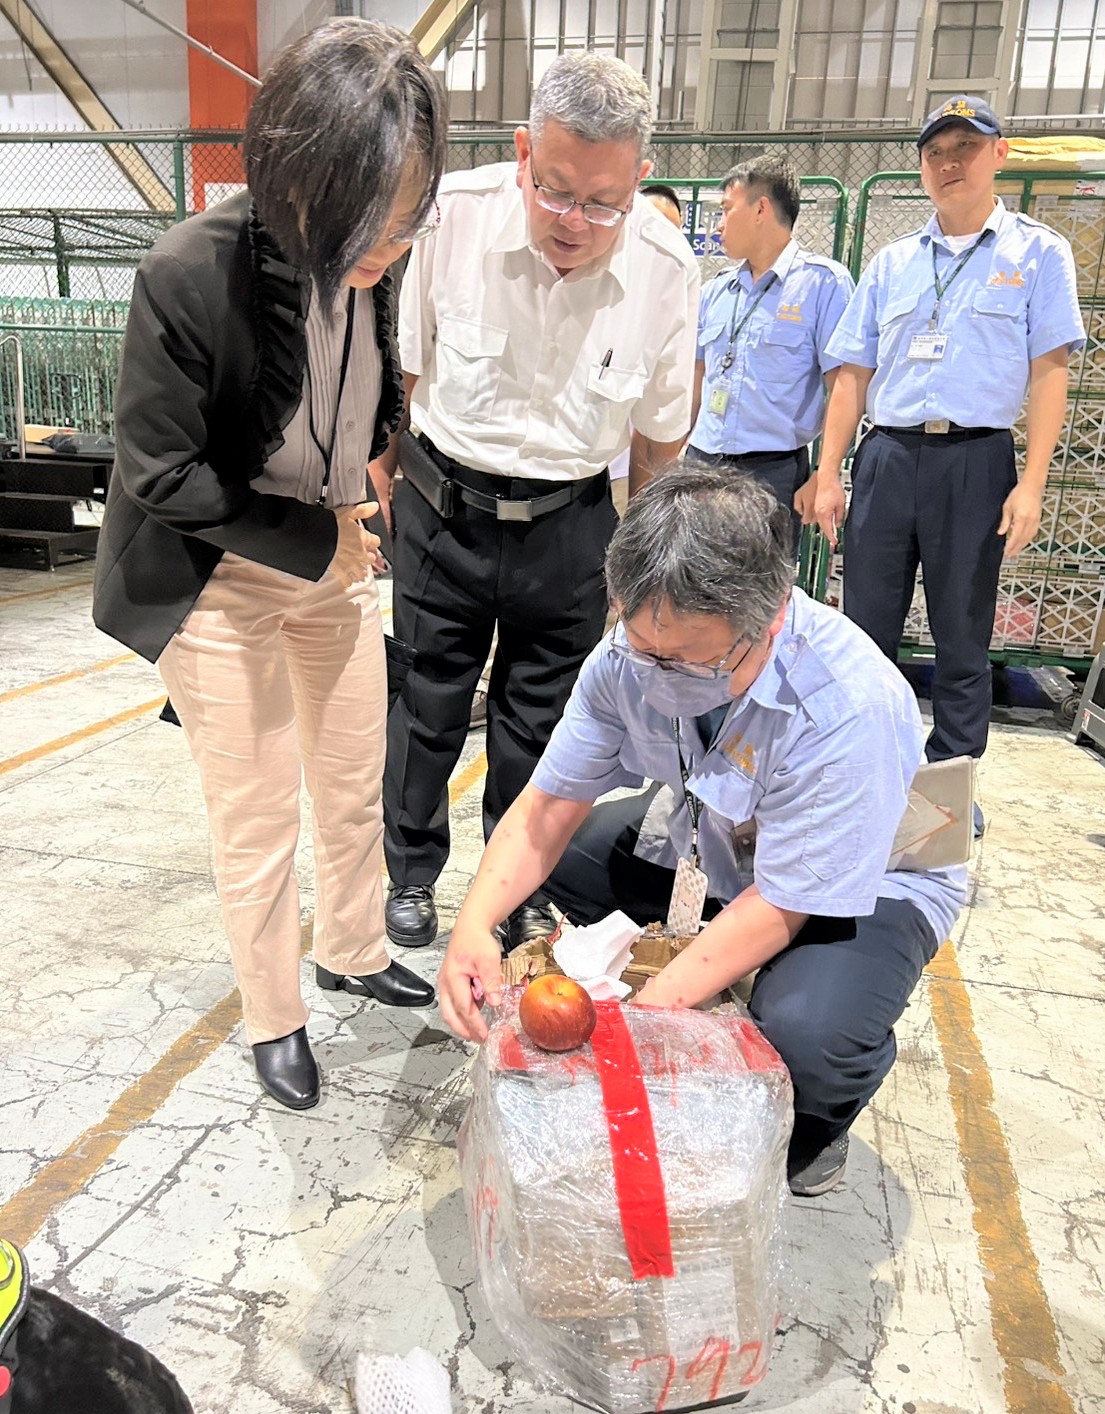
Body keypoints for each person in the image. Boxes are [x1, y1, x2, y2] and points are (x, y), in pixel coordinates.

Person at [92, 19, 447, 1110]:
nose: (385, 250)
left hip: (329, 548)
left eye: (407, 223)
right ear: (299, 181)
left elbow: (355, 399)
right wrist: (315, 540)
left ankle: (349, 944)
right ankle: (273, 1015)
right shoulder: (187, 274)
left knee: (351, 781)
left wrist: (377, 477)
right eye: (368, 226)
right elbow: (159, 474)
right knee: (256, 814)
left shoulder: (370, 267)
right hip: (217, 572)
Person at [438, 466, 967, 1197]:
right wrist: (472, 926)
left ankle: (824, 1110)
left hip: (865, 875)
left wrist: (640, 1025)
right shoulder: (625, 659)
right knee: (565, 863)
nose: (662, 679)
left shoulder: (848, 703)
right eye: (646, 650)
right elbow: (543, 809)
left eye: (695, 659)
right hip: (713, 838)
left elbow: (784, 901)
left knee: (807, 1039)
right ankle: (696, 959)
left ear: (771, 617)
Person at [376, 51, 701, 954]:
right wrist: (387, 502)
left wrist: (644, 567)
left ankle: (514, 888)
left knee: (540, 723)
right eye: (555, 190)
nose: (574, 222)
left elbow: (659, 438)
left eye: (602, 203)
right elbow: (404, 376)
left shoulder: (667, 267)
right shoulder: (454, 220)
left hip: (571, 525)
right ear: (523, 151)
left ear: (638, 178)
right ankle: (407, 872)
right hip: (441, 509)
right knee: (425, 703)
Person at [813, 97, 1084, 831]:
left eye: (966, 146)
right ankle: (863, 775)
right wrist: (829, 469)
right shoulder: (892, 262)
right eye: (936, 151)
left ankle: (948, 792)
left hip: (976, 462)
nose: (949, 162)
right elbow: (852, 374)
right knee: (864, 629)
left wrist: (1031, 483)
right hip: (887, 456)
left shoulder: (1035, 253)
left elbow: (1050, 370)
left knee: (962, 635)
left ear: (998, 155)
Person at [686, 155, 855, 550]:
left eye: (727, 210)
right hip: (702, 462)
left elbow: (844, 387)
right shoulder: (716, 291)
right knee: (691, 590)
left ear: (761, 208)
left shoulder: (822, 285)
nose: (719, 224)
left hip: (770, 473)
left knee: (759, 599)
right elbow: (697, 380)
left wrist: (825, 472)